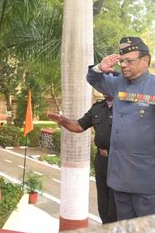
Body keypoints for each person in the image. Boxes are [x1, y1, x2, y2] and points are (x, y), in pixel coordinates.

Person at [86, 36, 155, 221]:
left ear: (145, 60)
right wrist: (99, 68)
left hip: (147, 181)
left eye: (129, 61)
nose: (124, 66)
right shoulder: (118, 83)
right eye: (122, 61)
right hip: (119, 178)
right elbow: (92, 79)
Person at [48, 91, 117, 224]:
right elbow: (79, 126)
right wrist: (63, 120)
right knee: (103, 203)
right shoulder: (97, 108)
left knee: (117, 205)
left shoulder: (125, 107)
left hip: (119, 161)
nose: (103, 88)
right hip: (101, 160)